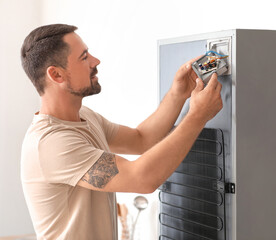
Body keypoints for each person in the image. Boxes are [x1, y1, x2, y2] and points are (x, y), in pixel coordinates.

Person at [20, 24, 223, 239]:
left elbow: (141, 139)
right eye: (84, 57)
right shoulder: (50, 144)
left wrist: (178, 94)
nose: (95, 61)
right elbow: (142, 179)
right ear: (57, 75)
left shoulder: (85, 117)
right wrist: (197, 116)